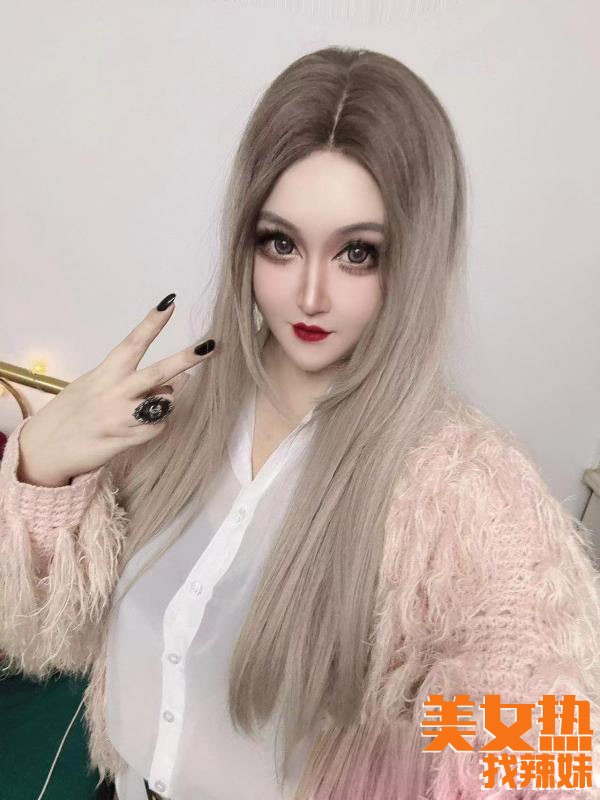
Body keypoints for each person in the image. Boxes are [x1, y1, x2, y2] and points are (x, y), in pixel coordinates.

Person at [1, 45, 600, 800]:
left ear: (415, 258)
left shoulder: (465, 491)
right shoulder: (171, 415)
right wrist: (42, 467)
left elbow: (551, 744)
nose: (310, 295)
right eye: (280, 244)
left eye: (358, 253)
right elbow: (47, 637)